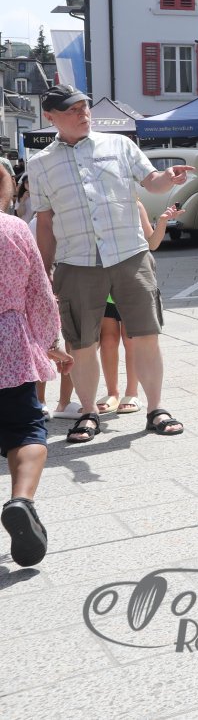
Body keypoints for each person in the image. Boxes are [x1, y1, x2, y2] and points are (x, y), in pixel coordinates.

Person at [31, 84, 192, 443]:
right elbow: (44, 220)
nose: (83, 113)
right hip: (76, 263)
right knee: (82, 342)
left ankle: (156, 409)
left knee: (146, 335)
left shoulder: (119, 144)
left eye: (84, 106)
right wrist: (44, 272)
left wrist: (168, 178)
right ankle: (88, 412)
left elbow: (152, 182)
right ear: (51, 117)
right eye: (72, 110)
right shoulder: (40, 163)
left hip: (130, 255)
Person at [0, 181, 75, 567]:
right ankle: (21, 500)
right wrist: (51, 341)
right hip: (9, 343)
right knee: (26, 428)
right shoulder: (13, 229)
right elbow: (39, 293)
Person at [95, 200, 177, 418]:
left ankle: (132, 392)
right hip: (101, 277)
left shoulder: (135, 204)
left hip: (130, 279)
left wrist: (162, 221)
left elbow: (152, 243)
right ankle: (112, 392)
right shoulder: (95, 201)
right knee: (108, 339)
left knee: (131, 339)